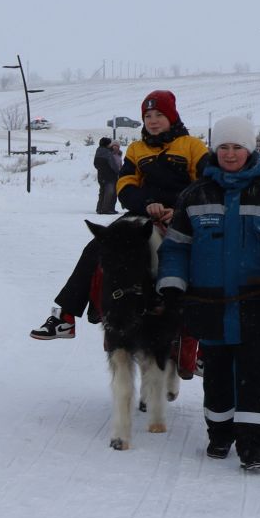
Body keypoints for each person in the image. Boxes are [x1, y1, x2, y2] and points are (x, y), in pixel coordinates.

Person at [154, 115, 260, 472]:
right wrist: (171, 285)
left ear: (250, 149)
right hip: (209, 304)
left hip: (259, 304)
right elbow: (177, 247)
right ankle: (219, 433)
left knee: (255, 373)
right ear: (215, 149)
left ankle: (253, 445)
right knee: (216, 373)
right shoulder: (194, 196)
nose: (230, 154)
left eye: (237, 147)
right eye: (223, 147)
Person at [31, 90, 209, 343]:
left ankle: (196, 342)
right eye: (148, 115)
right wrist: (146, 204)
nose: (153, 120)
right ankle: (66, 316)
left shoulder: (192, 146)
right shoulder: (137, 149)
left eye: (160, 114)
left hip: (181, 216)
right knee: (97, 247)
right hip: (141, 215)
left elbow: (205, 185)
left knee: (201, 262)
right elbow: (125, 186)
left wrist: (179, 209)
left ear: (172, 117)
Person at [93, 136, 121, 214]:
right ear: (107, 144)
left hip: (101, 175)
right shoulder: (107, 153)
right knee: (110, 192)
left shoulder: (98, 151)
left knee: (102, 191)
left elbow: (95, 164)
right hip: (110, 176)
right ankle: (106, 209)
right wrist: (117, 172)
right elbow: (113, 165)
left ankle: (100, 208)